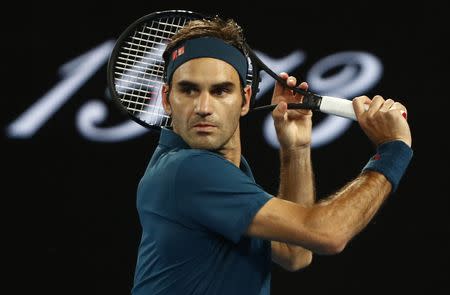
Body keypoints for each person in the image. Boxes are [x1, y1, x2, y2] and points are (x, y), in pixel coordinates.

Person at [131, 16, 413, 295]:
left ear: (245, 99)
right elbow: (329, 234)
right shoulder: (189, 170)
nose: (204, 107)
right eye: (189, 90)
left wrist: (295, 149)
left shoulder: (224, 170)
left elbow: (295, 254)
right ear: (167, 99)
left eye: (221, 91)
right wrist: (393, 150)